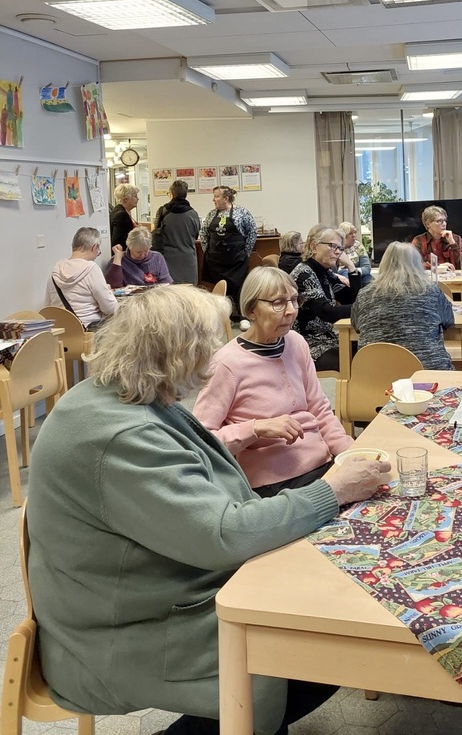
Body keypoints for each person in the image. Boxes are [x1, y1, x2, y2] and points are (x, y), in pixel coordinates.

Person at [27, 284, 391, 735]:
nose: (215, 355)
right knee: (319, 644)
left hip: (142, 592)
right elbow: (224, 535)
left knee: (321, 622)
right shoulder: (122, 435)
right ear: (181, 353)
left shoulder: (119, 394)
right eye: (210, 344)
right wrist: (331, 491)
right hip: (121, 632)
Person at [193, 267, 354, 493]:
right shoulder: (226, 364)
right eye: (278, 303)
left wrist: (349, 452)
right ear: (251, 310)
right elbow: (200, 441)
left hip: (321, 465)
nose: (291, 311)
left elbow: (320, 409)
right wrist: (256, 428)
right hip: (275, 485)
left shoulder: (296, 343)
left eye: (294, 300)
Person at [351, 242, 455, 370]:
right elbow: (449, 320)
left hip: (375, 372)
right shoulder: (431, 291)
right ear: (417, 264)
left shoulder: (364, 294)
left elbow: (356, 324)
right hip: (427, 371)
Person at [290, 226, 360, 371]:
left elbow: (351, 298)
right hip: (309, 345)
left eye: (340, 248)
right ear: (314, 247)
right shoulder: (304, 273)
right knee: (360, 362)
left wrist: (351, 266)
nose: (338, 252)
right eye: (333, 246)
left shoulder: (325, 272)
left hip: (328, 338)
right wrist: (364, 307)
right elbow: (327, 312)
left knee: (368, 348)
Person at [199, 186, 257, 317]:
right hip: (215, 262)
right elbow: (203, 233)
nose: (213, 199)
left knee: (238, 290)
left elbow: (252, 233)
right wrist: (207, 251)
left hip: (236, 261)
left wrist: (246, 253)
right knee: (219, 292)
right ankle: (221, 317)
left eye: (216, 196)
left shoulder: (242, 213)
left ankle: (240, 316)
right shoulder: (211, 214)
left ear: (226, 198)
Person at [45, 227, 117, 329]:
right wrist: (108, 292)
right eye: (98, 251)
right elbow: (110, 308)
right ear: (94, 247)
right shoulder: (91, 269)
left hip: (61, 332)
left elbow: (48, 307)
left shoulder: (55, 272)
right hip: (88, 331)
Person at [152, 179, 201, 284]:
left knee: (170, 290)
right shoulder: (193, 214)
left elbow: (156, 231)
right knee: (189, 290)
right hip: (188, 259)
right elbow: (196, 234)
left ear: (172, 194)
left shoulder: (163, 211)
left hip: (168, 259)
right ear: (185, 194)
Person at [105, 227, 173, 287]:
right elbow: (114, 286)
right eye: (138, 252)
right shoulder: (118, 260)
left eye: (146, 251)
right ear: (130, 246)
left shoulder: (157, 257)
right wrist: (117, 258)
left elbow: (166, 282)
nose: (143, 255)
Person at [411, 205, 462, 270]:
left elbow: (461, 266)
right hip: (428, 276)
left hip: (451, 275)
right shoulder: (419, 240)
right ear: (428, 224)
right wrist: (438, 266)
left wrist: (452, 243)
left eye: (445, 220)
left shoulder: (456, 238)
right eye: (439, 221)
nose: (444, 224)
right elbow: (414, 264)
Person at [337, 221, 372, 286]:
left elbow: (367, 268)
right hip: (342, 276)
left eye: (354, 233)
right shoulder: (336, 248)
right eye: (350, 233)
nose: (354, 235)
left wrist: (353, 271)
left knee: (370, 281)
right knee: (345, 275)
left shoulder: (358, 245)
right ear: (343, 236)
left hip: (360, 275)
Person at [109, 184, 139, 250]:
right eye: (135, 196)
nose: (138, 199)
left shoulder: (120, 211)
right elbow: (118, 242)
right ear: (126, 199)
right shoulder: (121, 215)